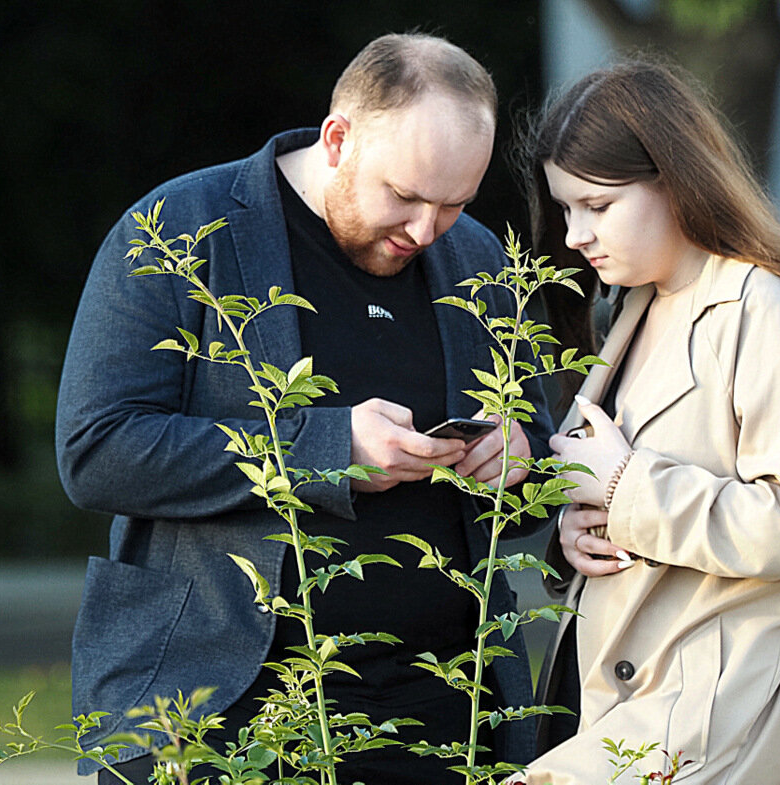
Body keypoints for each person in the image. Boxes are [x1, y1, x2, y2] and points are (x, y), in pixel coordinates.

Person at [55, 33, 553, 784]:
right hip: (223, 707)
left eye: (454, 204)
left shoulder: (480, 260)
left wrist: (517, 462)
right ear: (338, 139)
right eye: (407, 196)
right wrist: (327, 447)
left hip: (447, 710)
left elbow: (538, 462)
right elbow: (96, 451)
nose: (425, 230)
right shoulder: (181, 230)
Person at [508, 60, 780, 785]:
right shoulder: (636, 305)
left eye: (598, 204)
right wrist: (580, 530)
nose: (575, 235)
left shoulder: (771, 306)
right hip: (616, 695)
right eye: (566, 209)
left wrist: (627, 489)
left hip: (718, 712)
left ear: (676, 178)